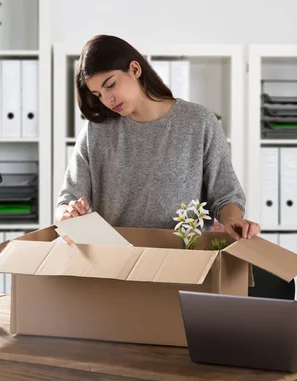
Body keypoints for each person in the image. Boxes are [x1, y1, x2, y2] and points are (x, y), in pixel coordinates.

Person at [55, 34, 260, 241]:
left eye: (110, 85)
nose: (108, 99)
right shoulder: (96, 130)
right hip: (114, 262)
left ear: (135, 69)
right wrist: (68, 213)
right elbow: (68, 199)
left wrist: (233, 219)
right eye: (98, 94)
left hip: (183, 261)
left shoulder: (199, 122)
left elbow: (225, 193)